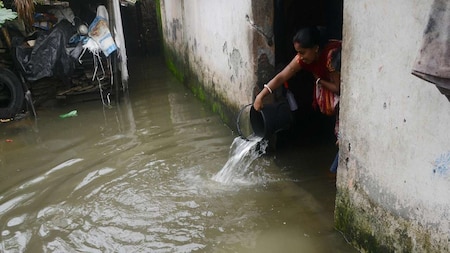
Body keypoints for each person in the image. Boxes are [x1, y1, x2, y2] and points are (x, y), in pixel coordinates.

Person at [253, 26, 342, 173]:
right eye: (297, 53)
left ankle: (334, 172)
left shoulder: (331, 56)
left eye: (302, 52)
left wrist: (319, 80)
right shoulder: (303, 58)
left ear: (315, 48)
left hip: (344, 93)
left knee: (341, 138)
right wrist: (261, 95)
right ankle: (333, 172)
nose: (300, 57)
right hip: (331, 86)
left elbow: (338, 88)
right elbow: (282, 76)